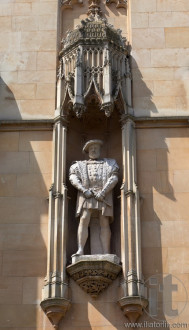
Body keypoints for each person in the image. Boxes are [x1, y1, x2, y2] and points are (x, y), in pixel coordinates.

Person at [69, 139, 119, 256]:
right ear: (87, 151)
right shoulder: (79, 165)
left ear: (100, 150)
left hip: (103, 197)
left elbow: (114, 178)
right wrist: (84, 190)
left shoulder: (110, 163)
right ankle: (80, 249)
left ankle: (106, 251)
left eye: (96, 148)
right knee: (84, 218)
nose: (94, 150)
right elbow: (73, 178)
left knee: (104, 221)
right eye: (92, 148)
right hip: (86, 195)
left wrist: (103, 192)